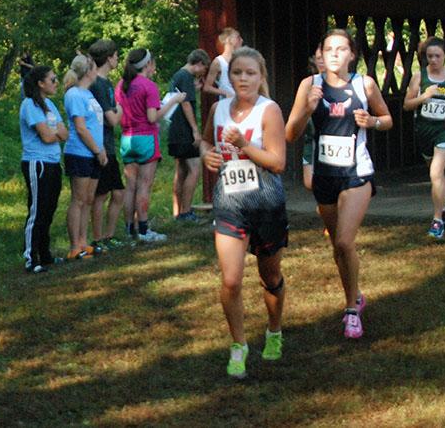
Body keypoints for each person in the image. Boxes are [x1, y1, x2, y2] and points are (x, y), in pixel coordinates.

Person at [285, 29, 393, 339]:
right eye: (328, 48)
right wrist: (307, 107)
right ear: (320, 54)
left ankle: (350, 309)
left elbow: (387, 118)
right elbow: (291, 134)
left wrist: (371, 121)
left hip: (356, 172)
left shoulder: (364, 84)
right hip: (325, 175)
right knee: (337, 247)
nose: (333, 53)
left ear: (352, 55)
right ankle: (356, 294)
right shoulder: (310, 85)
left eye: (340, 49)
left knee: (345, 241)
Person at [200, 47, 289, 379]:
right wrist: (207, 154)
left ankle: (274, 330)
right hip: (229, 205)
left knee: (271, 278)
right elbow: (205, 142)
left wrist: (245, 147)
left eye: (250, 73)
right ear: (229, 76)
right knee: (231, 280)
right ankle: (238, 345)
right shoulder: (219, 109)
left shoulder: (269, 111)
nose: (243, 79)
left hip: (266, 205)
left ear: (260, 77)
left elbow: (278, 163)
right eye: (237, 73)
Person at [115, 49, 185, 242]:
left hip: (127, 138)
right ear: (147, 65)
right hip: (146, 137)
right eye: (153, 64)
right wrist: (173, 102)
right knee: (144, 185)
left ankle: (130, 229)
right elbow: (152, 116)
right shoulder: (149, 86)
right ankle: (144, 229)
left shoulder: (121, 85)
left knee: (130, 186)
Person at [402, 37, 445, 239]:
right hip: (424, 130)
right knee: (436, 175)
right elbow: (407, 104)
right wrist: (424, 97)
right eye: (429, 56)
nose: (433, 60)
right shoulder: (419, 77)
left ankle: (437, 220)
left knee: (435, 173)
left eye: (437, 56)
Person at [19, 65, 68, 273]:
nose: (56, 83)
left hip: (53, 162)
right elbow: (47, 137)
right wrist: (53, 131)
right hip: (36, 163)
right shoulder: (29, 105)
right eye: (52, 80)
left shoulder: (49, 105)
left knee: (49, 209)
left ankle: (45, 254)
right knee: (37, 210)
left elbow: (64, 134)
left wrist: (53, 131)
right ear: (40, 83)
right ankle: (32, 257)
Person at [62, 54, 106, 260]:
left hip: (94, 152)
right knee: (78, 199)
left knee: (88, 199)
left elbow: (94, 125)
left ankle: (83, 241)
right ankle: (74, 246)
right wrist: (97, 150)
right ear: (88, 71)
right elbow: (80, 128)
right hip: (80, 152)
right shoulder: (74, 95)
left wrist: (101, 149)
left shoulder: (88, 95)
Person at [88, 40, 125, 249]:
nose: (117, 59)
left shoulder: (107, 83)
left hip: (109, 145)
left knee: (118, 192)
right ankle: (98, 238)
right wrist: (120, 107)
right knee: (101, 194)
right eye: (116, 55)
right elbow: (112, 119)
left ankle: (108, 236)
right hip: (100, 146)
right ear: (109, 57)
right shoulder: (99, 84)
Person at [168, 49, 210, 221]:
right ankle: (186, 212)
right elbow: (186, 104)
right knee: (194, 168)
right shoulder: (186, 76)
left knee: (181, 170)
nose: (203, 73)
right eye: (204, 69)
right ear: (198, 63)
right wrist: (195, 129)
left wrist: (195, 88)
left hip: (174, 130)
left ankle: (177, 211)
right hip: (184, 131)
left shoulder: (179, 76)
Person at [302, 48, 325, 191]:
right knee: (310, 182)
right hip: (311, 137)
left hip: (335, 138)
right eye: (318, 58)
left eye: (324, 56)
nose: (322, 60)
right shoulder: (309, 84)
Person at [203, 28, 243, 100]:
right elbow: (207, 87)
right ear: (228, 40)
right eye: (238, 37)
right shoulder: (218, 62)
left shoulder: (240, 60)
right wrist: (226, 93)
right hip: (227, 104)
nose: (241, 40)